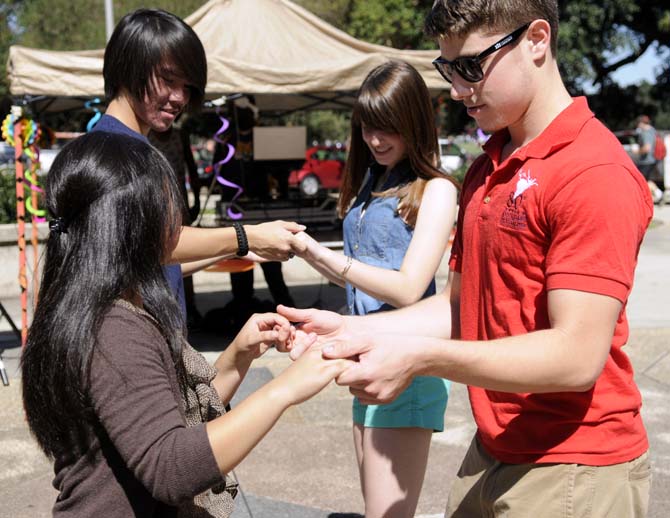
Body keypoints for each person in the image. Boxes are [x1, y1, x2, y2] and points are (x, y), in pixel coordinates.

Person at [281, 1, 653, 516]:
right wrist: (357, 334)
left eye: (471, 66)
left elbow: (577, 357)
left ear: (537, 40)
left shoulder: (593, 171)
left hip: (574, 465)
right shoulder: (486, 170)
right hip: (493, 448)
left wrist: (422, 359)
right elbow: (461, 308)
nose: (457, 89)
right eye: (447, 69)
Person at [20, 131, 350, 517]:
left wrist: (236, 358)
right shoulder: (112, 328)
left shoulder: (92, 306)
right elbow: (172, 467)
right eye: (164, 207)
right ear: (127, 223)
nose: (177, 222)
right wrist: (284, 390)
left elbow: (165, 419)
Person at [291, 60, 458, 517]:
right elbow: (359, 277)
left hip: (406, 364)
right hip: (365, 361)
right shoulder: (372, 180)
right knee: (376, 508)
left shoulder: (437, 189)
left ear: (414, 124)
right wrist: (306, 251)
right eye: (367, 128)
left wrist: (329, 258)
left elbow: (408, 288)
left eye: (388, 129)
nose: (376, 140)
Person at [96, 8, 305, 318]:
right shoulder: (116, 153)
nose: (179, 98)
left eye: (187, 87)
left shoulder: (129, 147)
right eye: (167, 79)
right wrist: (247, 237)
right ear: (129, 67)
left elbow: (154, 261)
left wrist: (242, 247)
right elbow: (162, 244)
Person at [149, 121, 203, 328]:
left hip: (179, 205)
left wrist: (196, 200)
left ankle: (190, 307)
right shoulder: (147, 135)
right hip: (156, 205)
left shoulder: (180, 134)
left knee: (184, 256)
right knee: (162, 258)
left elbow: (191, 167)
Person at [635, 114, 664, 204]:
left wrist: (637, 151)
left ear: (641, 123)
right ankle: (658, 194)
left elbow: (647, 148)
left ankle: (656, 195)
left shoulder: (646, 132)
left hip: (646, 161)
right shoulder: (653, 131)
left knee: (639, 179)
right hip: (653, 159)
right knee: (647, 180)